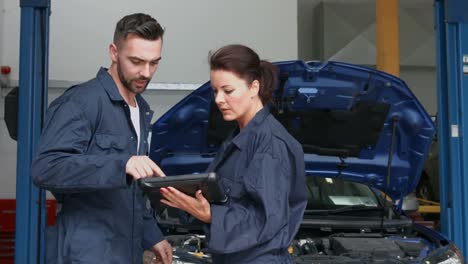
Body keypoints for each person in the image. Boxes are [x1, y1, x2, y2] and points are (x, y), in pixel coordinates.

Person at [31, 13, 172, 264]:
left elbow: (131, 193)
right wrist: (121, 164)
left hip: (124, 252)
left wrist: (152, 235)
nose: (146, 72)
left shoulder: (141, 108)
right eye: (137, 61)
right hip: (86, 252)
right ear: (114, 52)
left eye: (154, 63)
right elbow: (46, 168)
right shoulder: (82, 102)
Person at [159, 44, 307, 263]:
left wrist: (210, 215)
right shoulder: (237, 137)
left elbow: (264, 219)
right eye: (215, 91)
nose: (219, 99)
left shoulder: (270, 145)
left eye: (228, 91)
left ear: (254, 87)